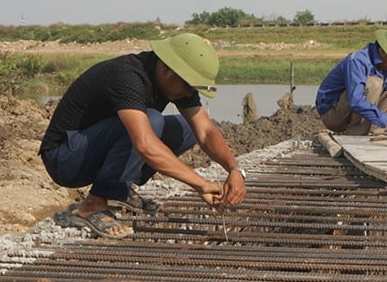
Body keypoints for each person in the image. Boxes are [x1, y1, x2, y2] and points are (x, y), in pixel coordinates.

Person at [39, 33, 248, 239]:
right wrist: (201, 184)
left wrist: (234, 168)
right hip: (65, 158)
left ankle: (119, 187)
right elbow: (145, 145)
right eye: (187, 86)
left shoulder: (177, 83)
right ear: (166, 68)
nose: (188, 93)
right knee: (152, 121)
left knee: (185, 128)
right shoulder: (129, 76)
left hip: (93, 150)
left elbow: (206, 131)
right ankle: (92, 205)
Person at [316, 28, 387, 135]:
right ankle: (356, 135)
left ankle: (376, 132)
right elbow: (356, 100)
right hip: (333, 114)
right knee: (375, 83)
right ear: (383, 52)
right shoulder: (358, 61)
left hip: (351, 113)